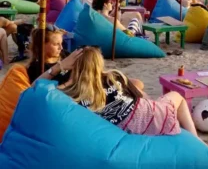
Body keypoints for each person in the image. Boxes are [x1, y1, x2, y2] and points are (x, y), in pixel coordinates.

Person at [36, 46, 197, 137]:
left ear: (74, 67)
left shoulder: (69, 93)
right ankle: (196, 140)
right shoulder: (113, 77)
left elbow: (34, 87)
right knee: (177, 97)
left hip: (121, 128)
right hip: (145, 114)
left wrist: (60, 66)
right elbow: (138, 94)